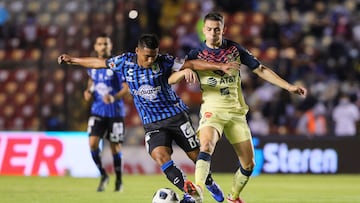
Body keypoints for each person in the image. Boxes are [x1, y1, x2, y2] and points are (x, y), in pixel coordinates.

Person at [58, 34, 240, 203]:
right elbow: (99, 63)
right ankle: (189, 192)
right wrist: (73, 60)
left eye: (154, 55)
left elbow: (192, 64)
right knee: (161, 156)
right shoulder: (124, 62)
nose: (151, 60)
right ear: (137, 51)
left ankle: (209, 184)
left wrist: (219, 66)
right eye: (147, 56)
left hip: (177, 117)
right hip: (152, 123)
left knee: (197, 158)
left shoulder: (165, 61)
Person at [170, 12, 307, 203]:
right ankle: (198, 190)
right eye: (209, 29)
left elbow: (261, 69)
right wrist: (185, 71)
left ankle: (233, 197)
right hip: (212, 110)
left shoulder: (234, 49)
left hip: (236, 113)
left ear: (223, 30)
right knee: (206, 145)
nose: (213, 33)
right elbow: (170, 78)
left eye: (217, 29)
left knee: (249, 164)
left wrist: (289, 86)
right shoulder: (194, 55)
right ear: (203, 31)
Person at [83, 33, 130, 192]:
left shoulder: (117, 65)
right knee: (92, 143)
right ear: (95, 47)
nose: (103, 46)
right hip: (97, 111)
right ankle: (103, 174)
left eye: (106, 44)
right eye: (100, 44)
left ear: (110, 46)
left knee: (115, 147)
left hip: (115, 112)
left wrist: (114, 97)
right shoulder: (92, 66)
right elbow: (91, 82)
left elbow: (126, 88)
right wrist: (88, 91)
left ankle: (119, 180)